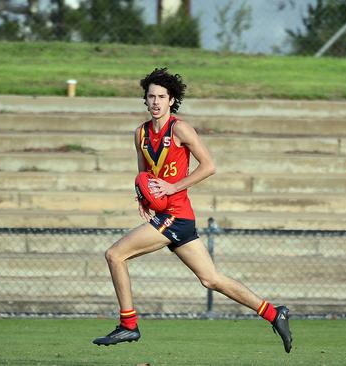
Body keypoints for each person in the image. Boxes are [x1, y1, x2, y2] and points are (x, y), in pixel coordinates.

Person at [92, 68, 293, 353]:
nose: (156, 102)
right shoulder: (140, 134)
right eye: (151, 96)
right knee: (211, 279)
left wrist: (173, 188)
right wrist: (142, 197)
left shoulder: (180, 129)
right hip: (172, 217)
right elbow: (144, 174)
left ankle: (128, 326)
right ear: (145, 100)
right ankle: (275, 313)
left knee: (115, 254)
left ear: (172, 100)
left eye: (162, 96)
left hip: (176, 215)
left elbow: (209, 166)